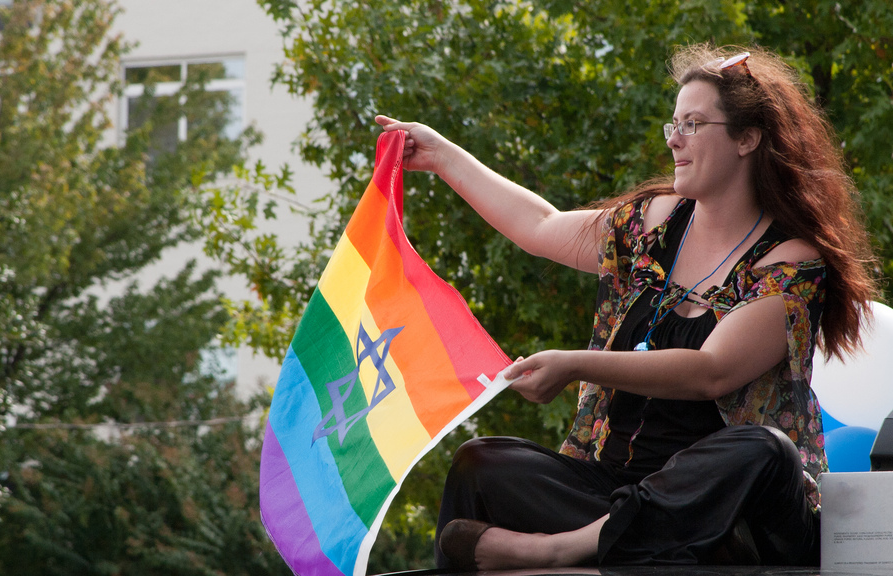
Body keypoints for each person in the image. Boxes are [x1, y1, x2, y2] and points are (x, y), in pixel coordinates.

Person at [376, 44, 878, 570]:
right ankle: (614, 536)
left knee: (764, 451)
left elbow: (711, 371)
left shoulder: (792, 261)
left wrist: (573, 363)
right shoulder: (654, 224)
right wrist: (438, 155)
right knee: (482, 464)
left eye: (694, 123)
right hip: (619, 494)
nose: (675, 139)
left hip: (731, 514)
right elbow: (540, 228)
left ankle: (559, 549)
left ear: (747, 139)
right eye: (673, 123)